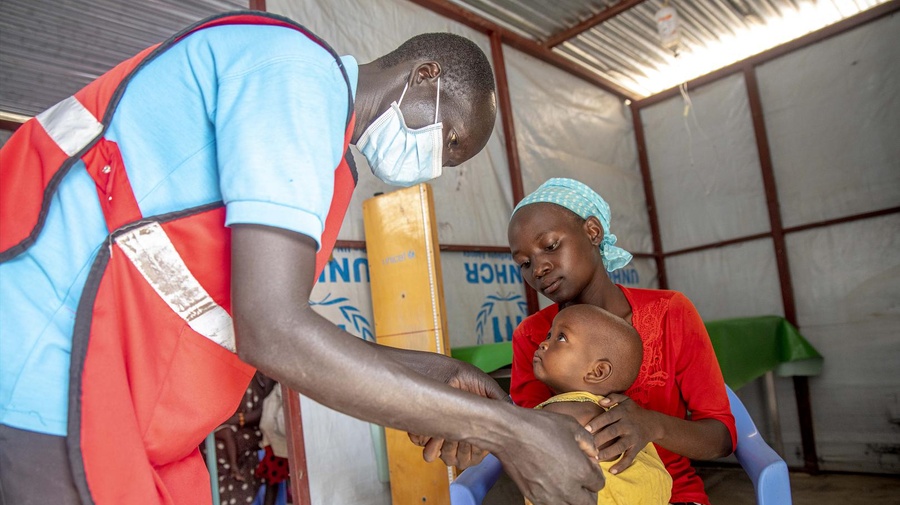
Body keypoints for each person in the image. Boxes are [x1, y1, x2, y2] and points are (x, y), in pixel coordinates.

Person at [0, 11, 602, 505]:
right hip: (55, 354)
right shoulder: (295, 73)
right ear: (425, 74)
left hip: (133, 403)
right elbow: (273, 331)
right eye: (448, 142)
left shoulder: (328, 158)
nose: (434, 166)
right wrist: (512, 433)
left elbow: (270, 324)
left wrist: (432, 374)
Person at [507, 177, 737, 505]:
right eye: (525, 264)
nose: (539, 269)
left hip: (673, 495)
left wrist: (652, 425)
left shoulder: (670, 313)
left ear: (592, 231)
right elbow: (528, 443)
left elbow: (721, 438)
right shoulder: (531, 336)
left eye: (551, 246)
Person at [527, 304, 671, 505]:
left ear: (597, 371)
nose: (544, 343)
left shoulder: (566, 411)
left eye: (561, 338)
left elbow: (517, 443)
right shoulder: (614, 412)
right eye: (549, 335)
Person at [203, 372, 275, 503]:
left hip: (249, 435)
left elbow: (266, 410)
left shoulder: (265, 376)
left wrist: (236, 419)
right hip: (217, 442)